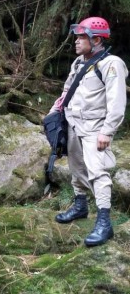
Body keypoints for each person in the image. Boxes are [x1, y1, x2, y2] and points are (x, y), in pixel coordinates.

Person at [50, 17, 128, 247]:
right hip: (73, 123)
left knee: (98, 171)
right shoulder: (78, 63)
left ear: (96, 39)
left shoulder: (111, 64)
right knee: (77, 167)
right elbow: (67, 90)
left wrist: (107, 131)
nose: (76, 40)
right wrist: (55, 112)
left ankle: (104, 221)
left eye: (81, 37)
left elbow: (116, 102)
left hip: (96, 127)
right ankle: (80, 205)